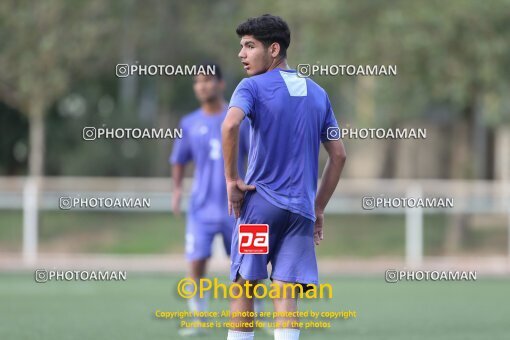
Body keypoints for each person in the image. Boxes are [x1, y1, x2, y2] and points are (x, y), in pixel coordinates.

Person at [222, 15, 347, 340]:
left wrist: (231, 180)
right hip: (301, 213)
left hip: (261, 207)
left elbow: (230, 125)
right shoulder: (318, 93)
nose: (242, 54)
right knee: (285, 289)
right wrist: (318, 208)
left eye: (249, 46)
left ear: (273, 49)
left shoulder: (251, 86)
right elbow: (339, 155)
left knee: (244, 285)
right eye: (241, 46)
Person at [170, 63, 255, 337]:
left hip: (240, 208)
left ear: (220, 84)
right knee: (196, 262)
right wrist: (176, 190)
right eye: (197, 82)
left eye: (207, 80)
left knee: (250, 266)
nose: (202, 86)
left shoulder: (240, 118)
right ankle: (198, 317)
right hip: (201, 209)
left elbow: (255, 155)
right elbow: (179, 160)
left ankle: (252, 316)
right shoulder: (189, 123)